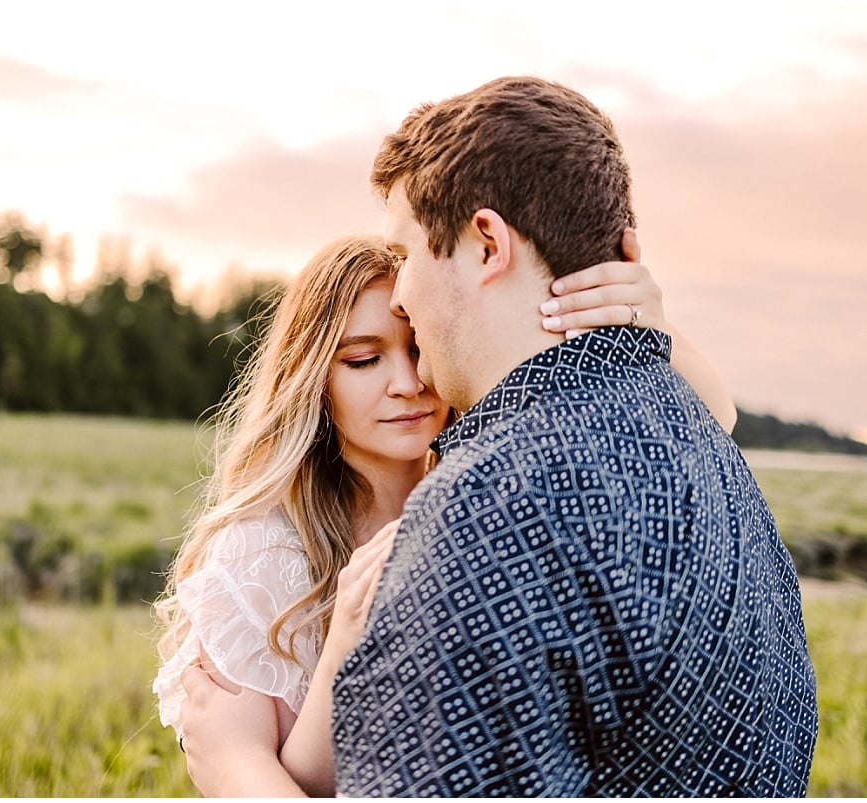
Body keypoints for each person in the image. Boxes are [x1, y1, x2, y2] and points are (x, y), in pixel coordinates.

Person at [161, 228, 738, 795]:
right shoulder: (261, 552)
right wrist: (340, 648)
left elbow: (716, 420)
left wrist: (650, 318)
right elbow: (302, 783)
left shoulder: (483, 499)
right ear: (313, 379)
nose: (408, 383)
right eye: (364, 360)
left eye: (418, 348)